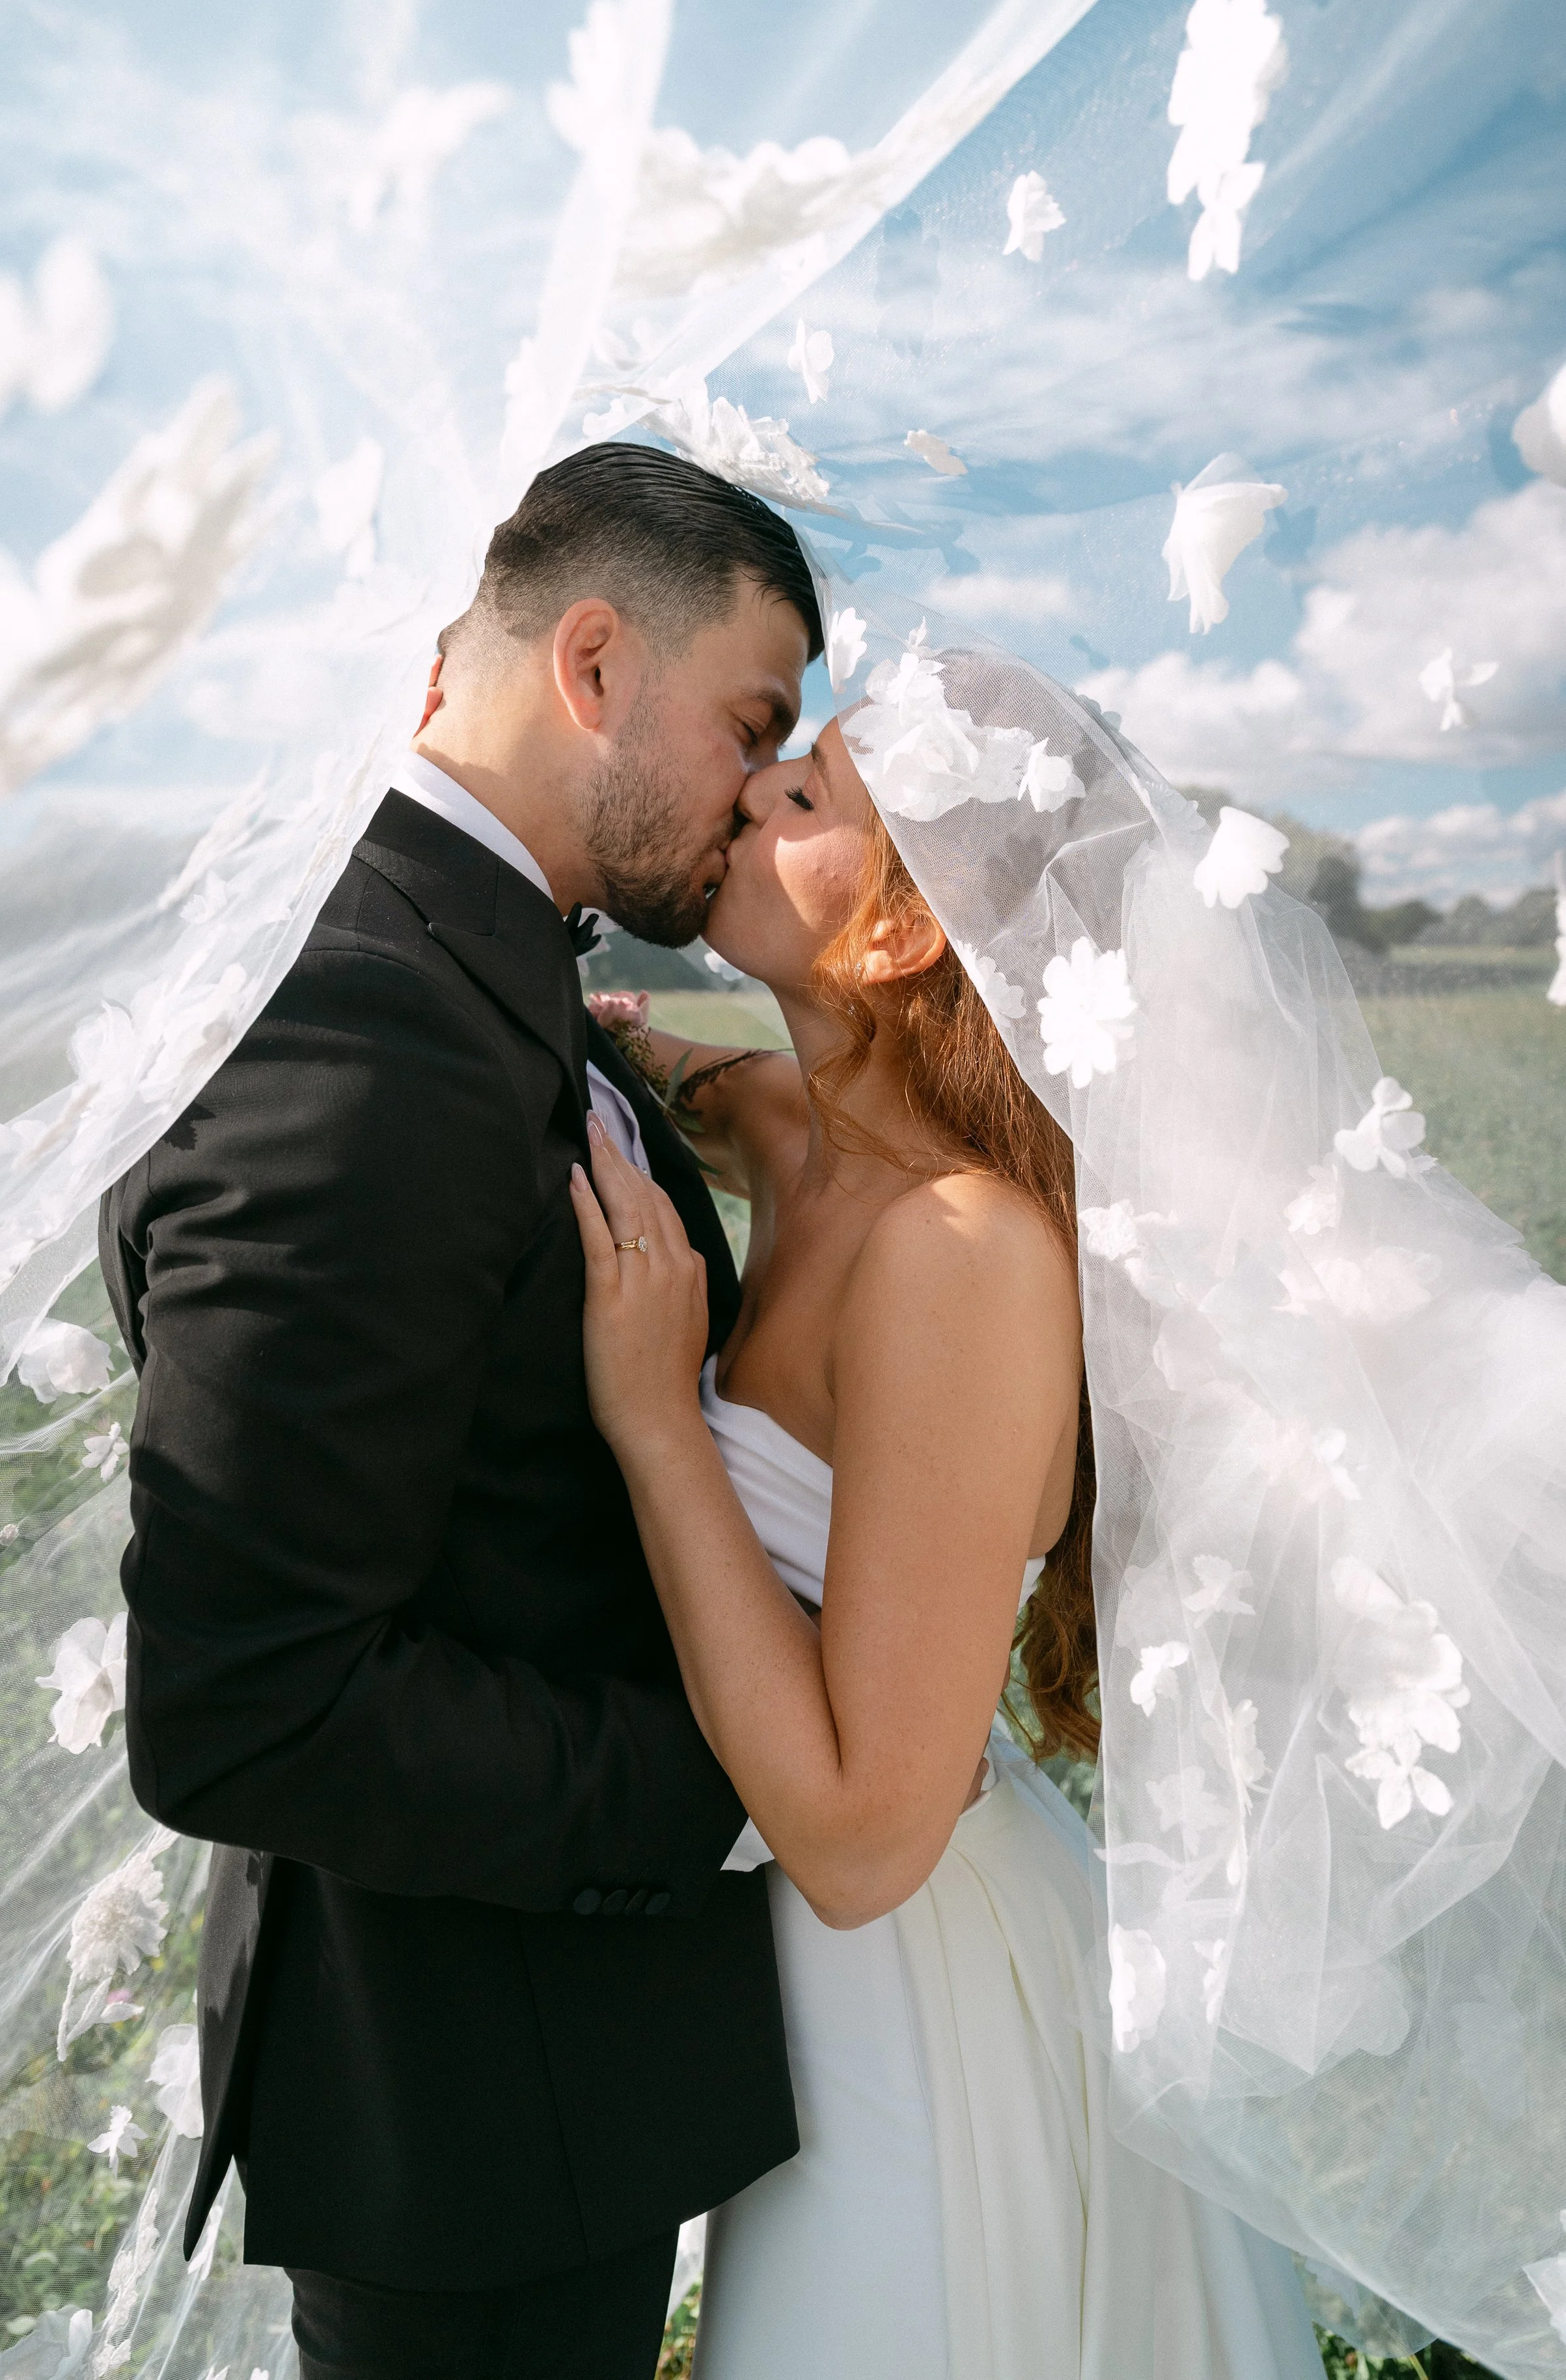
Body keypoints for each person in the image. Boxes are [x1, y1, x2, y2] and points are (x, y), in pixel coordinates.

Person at [97, 441, 821, 2380]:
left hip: (539, 2080)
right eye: (754, 718)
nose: (765, 787)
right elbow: (248, 1698)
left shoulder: (460, 970)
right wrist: (721, 1786)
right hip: (480, 2110)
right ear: (593, 664)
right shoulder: (360, 1028)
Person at [569, 710, 1330, 2377]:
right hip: (772, 1982)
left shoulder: (963, 1254)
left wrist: (652, 1425)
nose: (741, 790)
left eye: (802, 789)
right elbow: (681, 1075)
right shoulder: (800, 1137)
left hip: (904, 1999)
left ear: (905, 926)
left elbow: (855, 1844)